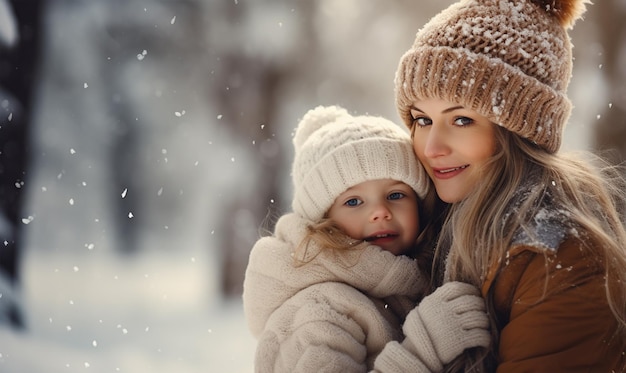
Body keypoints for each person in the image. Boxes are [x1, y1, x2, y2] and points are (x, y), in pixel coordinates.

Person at [379, 0, 626, 371]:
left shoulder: (563, 260)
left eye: (461, 120)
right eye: (422, 120)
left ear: (519, 131)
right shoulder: (418, 224)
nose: (432, 148)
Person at [243, 105, 491, 372]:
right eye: (353, 201)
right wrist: (424, 347)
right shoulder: (320, 311)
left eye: (396, 195)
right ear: (322, 222)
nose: (380, 212)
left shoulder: (410, 281)